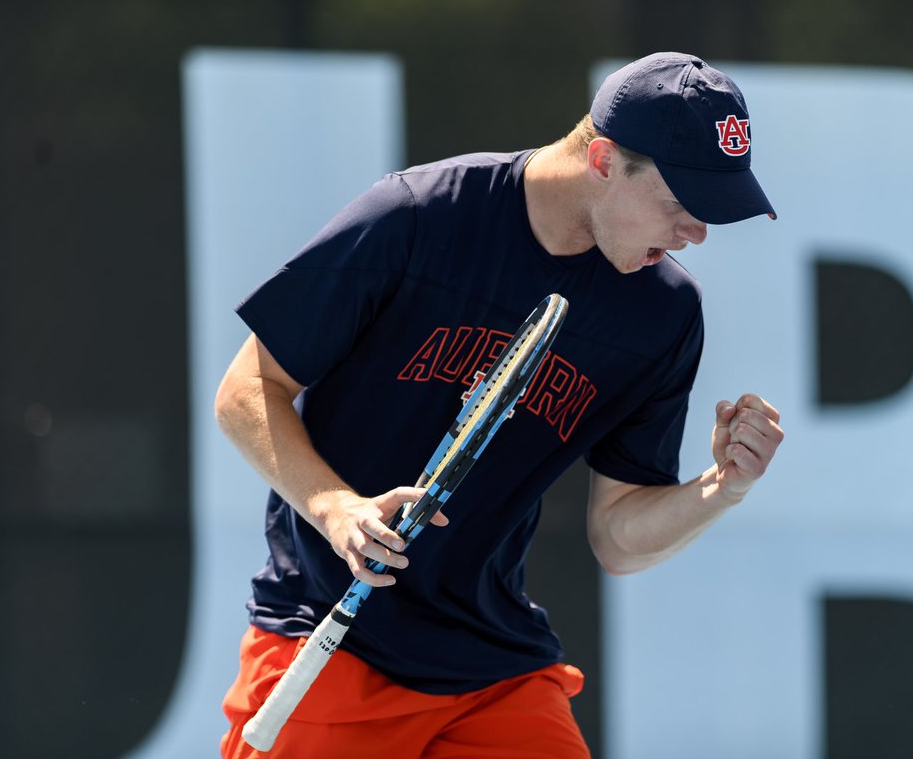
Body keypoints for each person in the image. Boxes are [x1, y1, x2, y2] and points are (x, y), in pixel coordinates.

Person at [215, 51, 785, 758]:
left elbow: (618, 537)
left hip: (492, 665)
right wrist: (339, 511)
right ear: (604, 160)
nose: (696, 233)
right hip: (328, 634)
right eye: (679, 205)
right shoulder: (418, 216)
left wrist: (722, 490)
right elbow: (246, 391)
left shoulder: (663, 315)